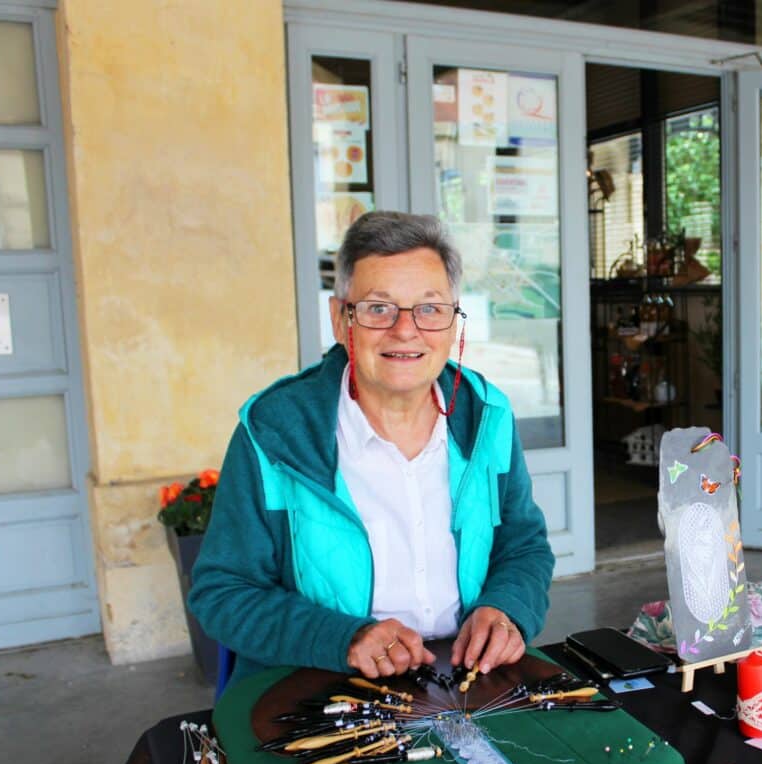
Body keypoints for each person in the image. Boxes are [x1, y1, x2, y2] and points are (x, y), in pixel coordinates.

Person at [189, 212, 553, 686]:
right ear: (342, 320)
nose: (406, 330)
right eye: (378, 308)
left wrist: (506, 607)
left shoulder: (487, 415)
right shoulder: (275, 431)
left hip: (466, 678)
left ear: (452, 319)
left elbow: (523, 546)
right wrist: (344, 638)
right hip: (320, 683)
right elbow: (222, 592)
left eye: (429, 308)